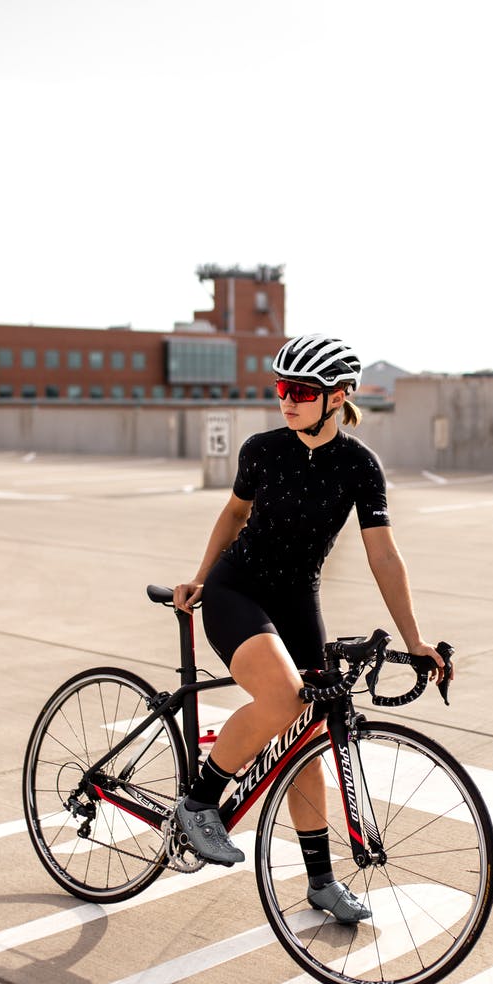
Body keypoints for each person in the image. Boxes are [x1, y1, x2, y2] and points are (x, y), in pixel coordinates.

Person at [172, 333, 448, 923]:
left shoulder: (358, 466)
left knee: (307, 733)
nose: (286, 400)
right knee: (283, 697)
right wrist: (200, 577)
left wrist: (414, 639)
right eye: (281, 388)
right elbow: (235, 513)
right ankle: (199, 802)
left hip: (298, 597)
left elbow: (383, 556)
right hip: (237, 589)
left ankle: (321, 883)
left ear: (338, 396)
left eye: (300, 390)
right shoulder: (262, 449)